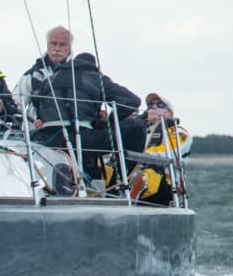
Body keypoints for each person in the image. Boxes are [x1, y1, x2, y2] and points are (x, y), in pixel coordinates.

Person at [23, 25, 143, 181]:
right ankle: (118, 182)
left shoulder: (49, 79)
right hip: (81, 137)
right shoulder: (94, 77)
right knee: (138, 127)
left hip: (46, 138)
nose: (57, 48)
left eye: (62, 45)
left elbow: (38, 103)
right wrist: (110, 121)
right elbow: (132, 101)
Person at [129, 92, 191, 205]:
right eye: (150, 105)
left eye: (160, 105)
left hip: (166, 185)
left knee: (154, 166)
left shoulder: (179, 133)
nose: (154, 107)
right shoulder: (139, 132)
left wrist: (141, 155)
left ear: (170, 114)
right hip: (135, 173)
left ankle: (136, 189)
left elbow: (169, 152)